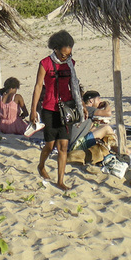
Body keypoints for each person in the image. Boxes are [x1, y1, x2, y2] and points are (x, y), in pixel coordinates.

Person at [30, 30, 85, 190]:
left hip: (66, 108)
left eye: (68, 54)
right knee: (49, 146)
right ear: (55, 49)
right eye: (63, 54)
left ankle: (61, 181)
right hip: (49, 108)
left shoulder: (71, 64)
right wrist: (33, 110)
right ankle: (41, 165)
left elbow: (74, 85)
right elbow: (38, 86)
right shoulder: (45, 63)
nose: (66, 57)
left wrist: (81, 105)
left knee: (63, 146)